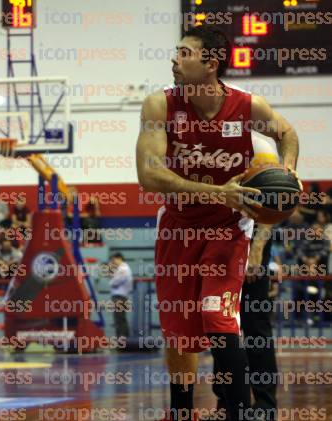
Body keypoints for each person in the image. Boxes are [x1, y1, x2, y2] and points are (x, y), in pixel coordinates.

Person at [135, 25, 299, 421]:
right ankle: (181, 411)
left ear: (210, 63)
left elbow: (287, 133)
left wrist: (288, 172)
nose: (174, 60)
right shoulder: (160, 106)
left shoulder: (248, 106)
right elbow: (149, 175)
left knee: (218, 315)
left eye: (184, 54)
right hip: (177, 226)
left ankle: (241, 412)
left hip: (228, 227)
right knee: (180, 332)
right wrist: (214, 192)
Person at [211, 223, 279, 421]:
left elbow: (273, 206)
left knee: (255, 324)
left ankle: (265, 406)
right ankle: (225, 404)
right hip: (221, 236)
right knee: (221, 322)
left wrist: (256, 248)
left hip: (252, 236)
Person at [108, 253, 133, 341]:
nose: (113, 262)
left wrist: (111, 280)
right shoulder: (121, 268)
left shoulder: (123, 268)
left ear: (119, 258)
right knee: (120, 319)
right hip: (120, 296)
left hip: (120, 297)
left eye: (113, 260)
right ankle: (123, 340)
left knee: (119, 320)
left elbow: (114, 282)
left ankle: (122, 341)